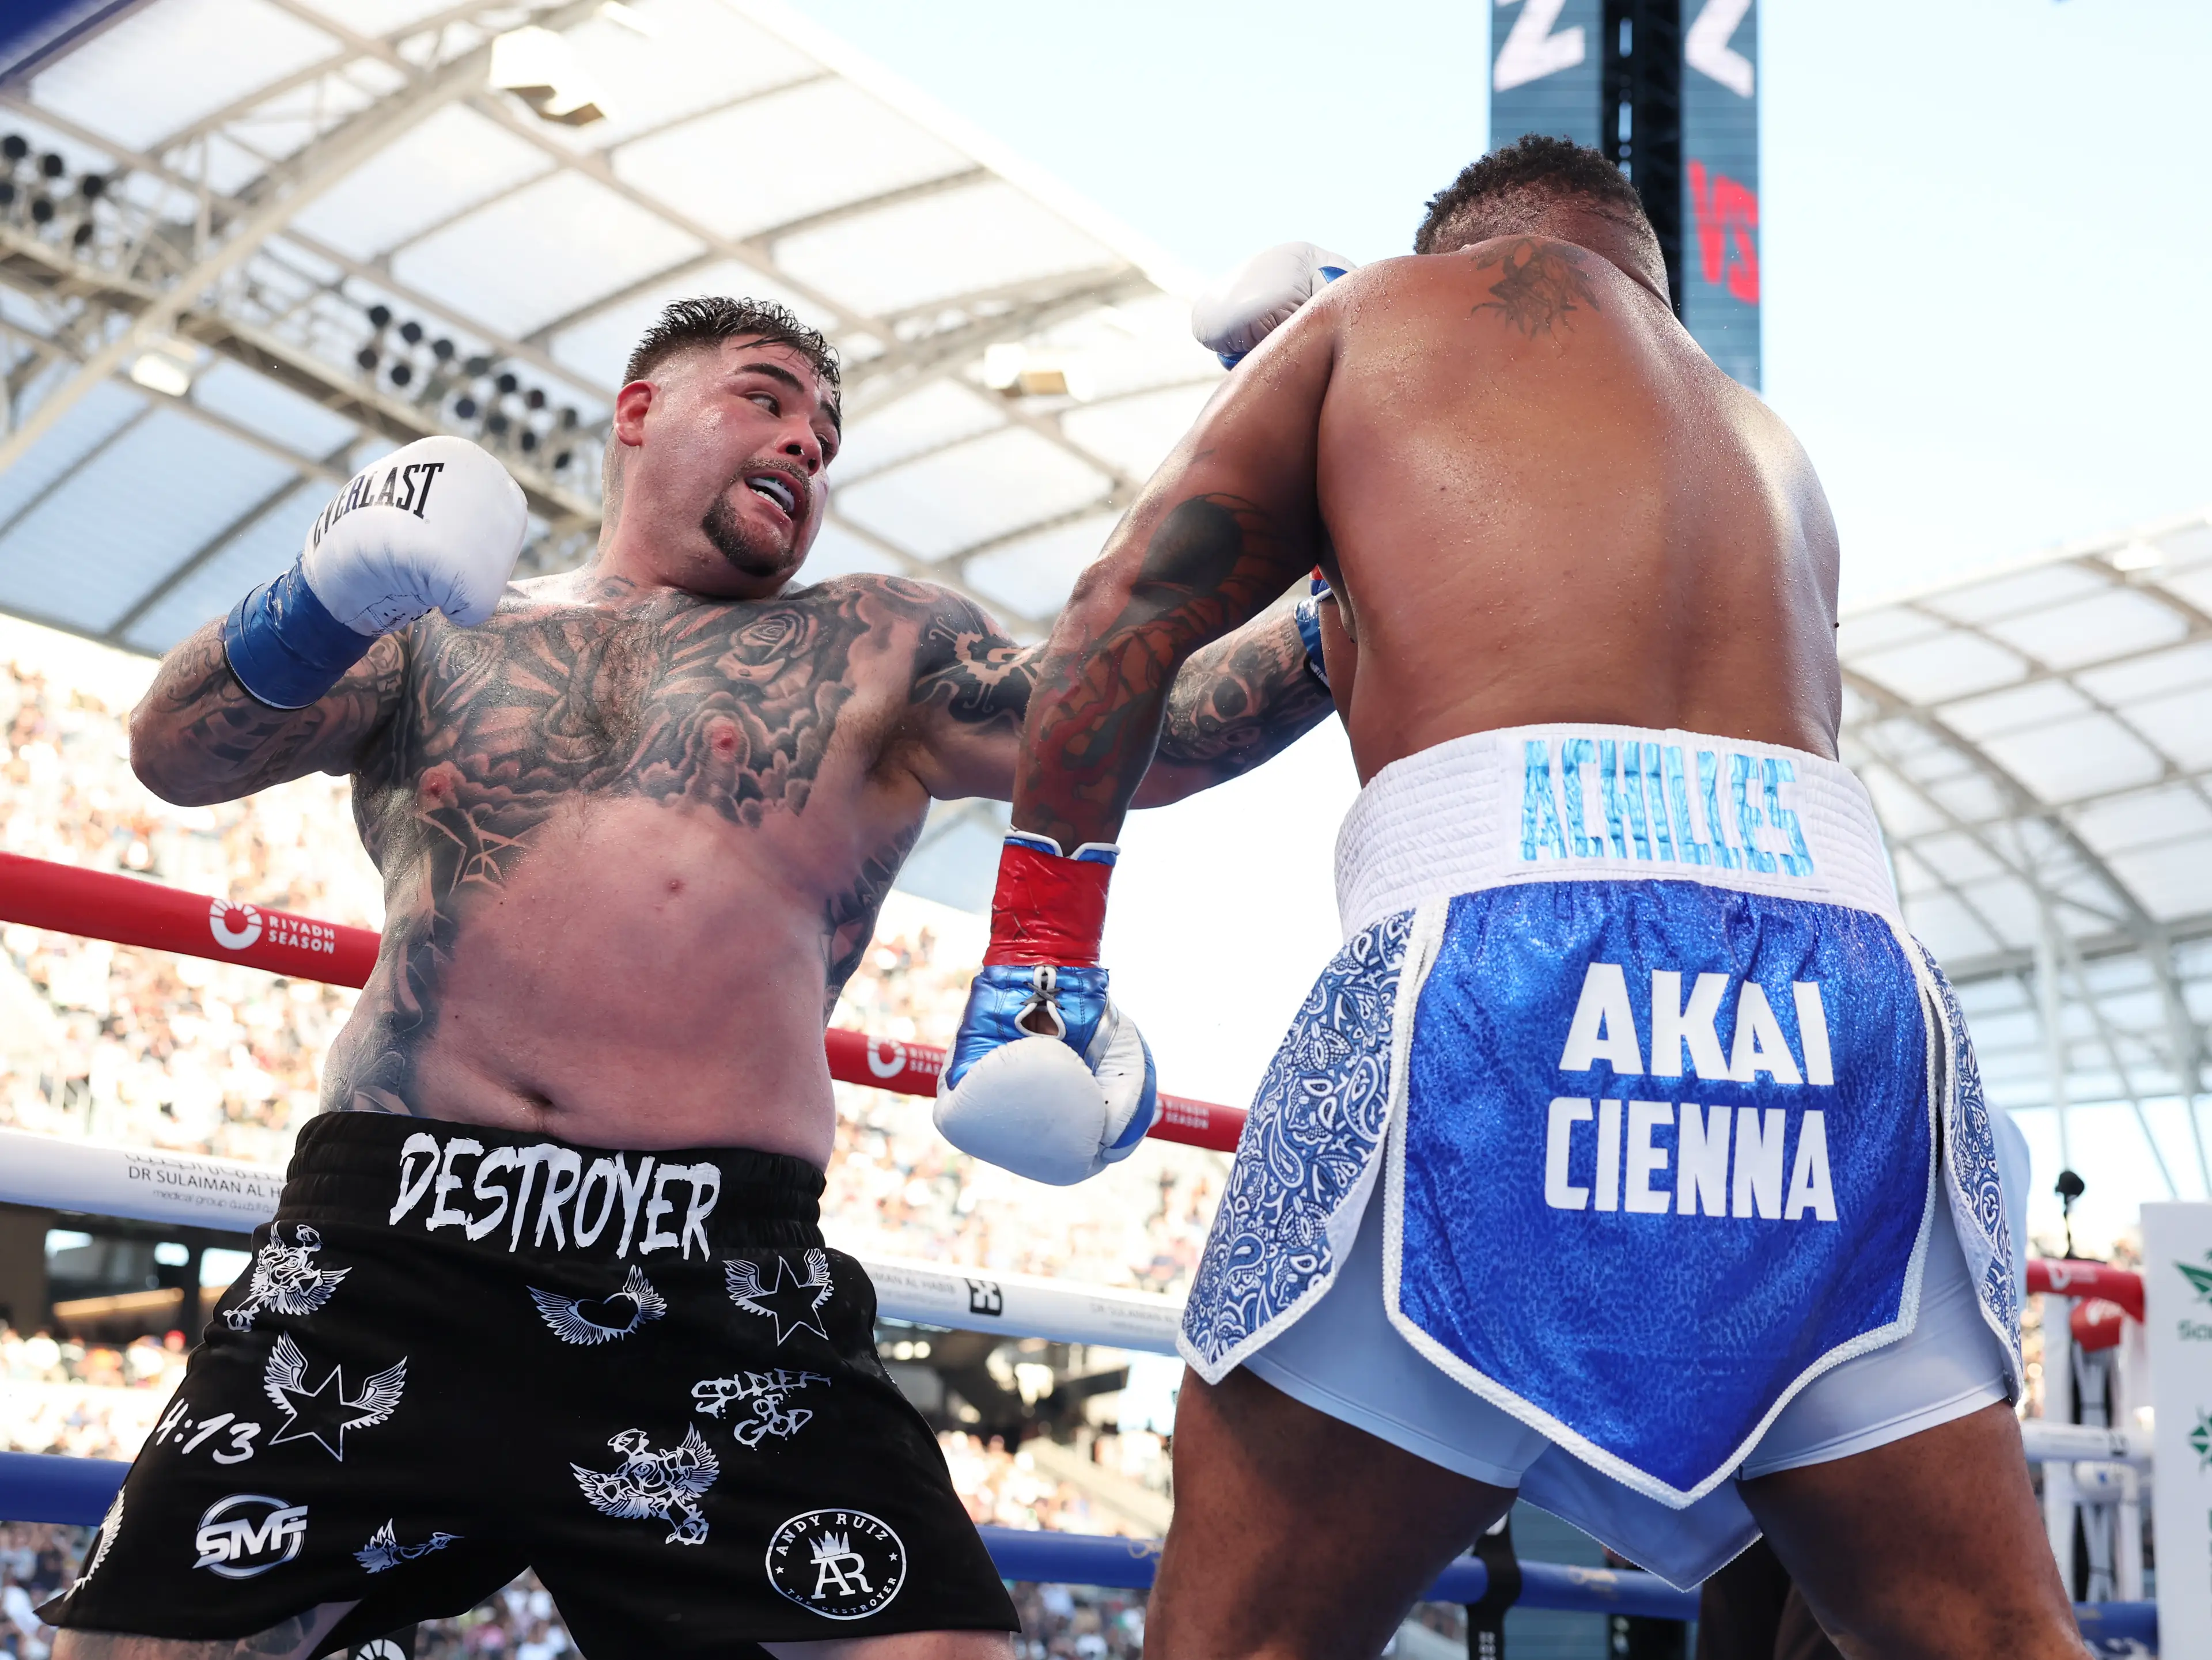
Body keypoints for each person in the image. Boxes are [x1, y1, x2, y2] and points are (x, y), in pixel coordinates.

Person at [45, 295, 1334, 1660]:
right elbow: (175, 750)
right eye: (767, 398)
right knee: (132, 1649)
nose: (805, 445)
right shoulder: (441, 628)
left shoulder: (876, 646)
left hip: (715, 1270)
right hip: (394, 1236)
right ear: (639, 409)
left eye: (827, 435)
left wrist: (1350, 576)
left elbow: (1164, 724)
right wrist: (324, 585)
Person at [937, 137, 2080, 1658]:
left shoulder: (1377, 321)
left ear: (1463, 250)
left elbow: (1124, 610)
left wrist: (1039, 967)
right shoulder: (1766, 448)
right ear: (1645, 283)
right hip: (1847, 1011)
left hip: (1509, 974)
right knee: (1996, 1641)